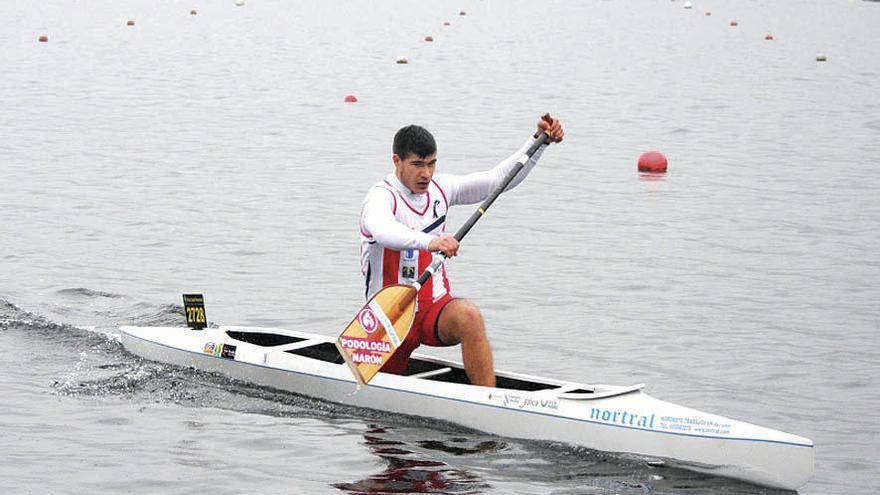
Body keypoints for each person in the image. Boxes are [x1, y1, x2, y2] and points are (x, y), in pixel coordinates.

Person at [358, 115, 564, 387]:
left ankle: (489, 401)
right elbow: (383, 230)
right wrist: (429, 242)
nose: (426, 174)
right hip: (391, 316)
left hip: (434, 309)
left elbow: (498, 180)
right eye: (417, 165)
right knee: (376, 419)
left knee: (469, 316)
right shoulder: (381, 197)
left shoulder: (441, 189)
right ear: (397, 161)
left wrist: (538, 143)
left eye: (431, 164)